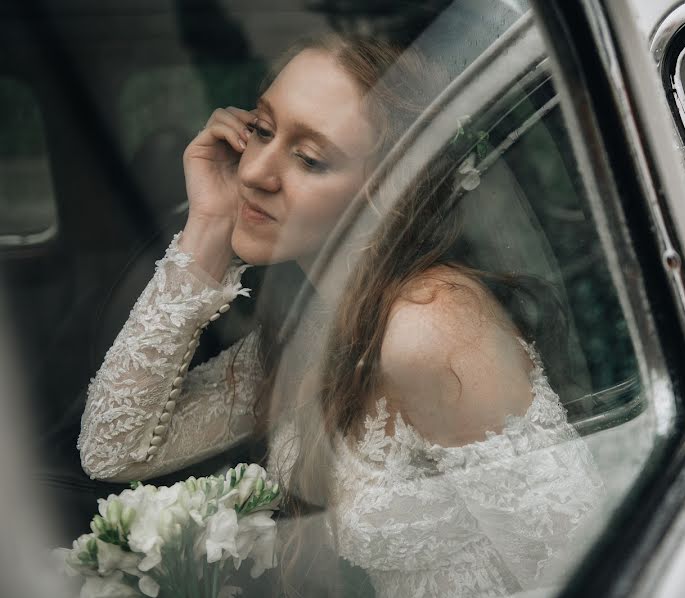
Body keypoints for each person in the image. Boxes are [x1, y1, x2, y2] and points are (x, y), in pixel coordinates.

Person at [78, 34, 604, 597]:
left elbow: (593, 576)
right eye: (260, 129)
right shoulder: (314, 321)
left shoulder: (431, 327)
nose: (255, 171)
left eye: (309, 158)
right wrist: (207, 225)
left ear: (388, 192)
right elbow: (115, 448)